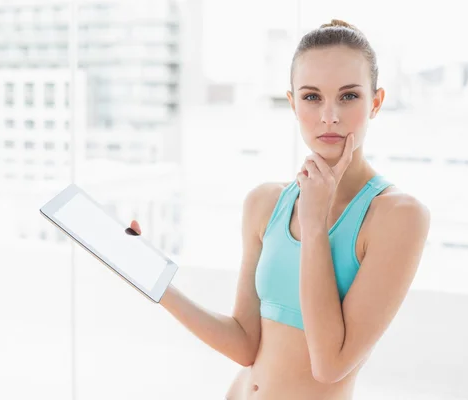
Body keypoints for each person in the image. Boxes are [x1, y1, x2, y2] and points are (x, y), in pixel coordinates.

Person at [129, 18, 430, 400]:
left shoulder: (399, 216)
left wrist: (315, 224)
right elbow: (243, 343)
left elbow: (330, 364)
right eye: (312, 97)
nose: (329, 116)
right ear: (292, 103)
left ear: (376, 102)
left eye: (349, 96)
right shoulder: (265, 203)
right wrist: (157, 285)